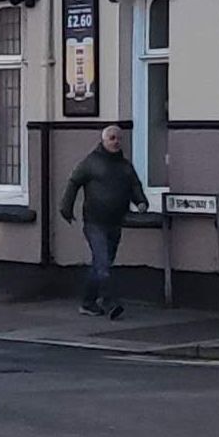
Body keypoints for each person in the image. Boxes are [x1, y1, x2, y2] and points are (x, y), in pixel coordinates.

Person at [59, 124, 148, 318]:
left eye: (118, 138)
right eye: (112, 138)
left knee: (102, 263)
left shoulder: (125, 166)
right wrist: (66, 208)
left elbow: (135, 186)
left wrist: (141, 202)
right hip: (94, 221)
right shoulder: (92, 162)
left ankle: (88, 302)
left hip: (115, 221)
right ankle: (109, 302)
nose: (116, 142)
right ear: (104, 140)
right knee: (103, 262)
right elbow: (74, 182)